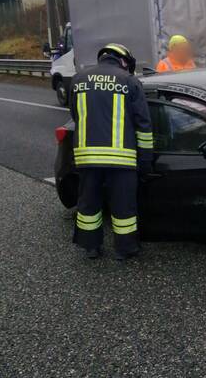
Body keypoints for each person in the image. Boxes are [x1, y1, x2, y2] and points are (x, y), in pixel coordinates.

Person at [69, 43, 153, 260]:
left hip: (87, 157)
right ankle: (125, 249)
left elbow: (76, 116)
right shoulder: (129, 81)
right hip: (121, 159)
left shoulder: (78, 80)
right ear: (124, 61)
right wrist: (145, 162)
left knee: (89, 204)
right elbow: (143, 126)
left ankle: (91, 247)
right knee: (123, 207)